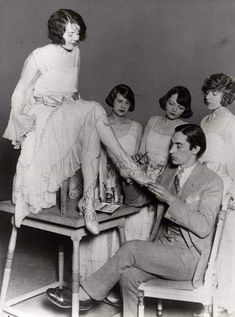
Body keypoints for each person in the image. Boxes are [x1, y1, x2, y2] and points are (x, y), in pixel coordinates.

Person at [46, 123, 224, 317]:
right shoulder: (170, 173)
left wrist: (171, 200)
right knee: (129, 275)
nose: (171, 150)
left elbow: (204, 227)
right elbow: (137, 201)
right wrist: (128, 179)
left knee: (130, 248)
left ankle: (84, 295)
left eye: (178, 146)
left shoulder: (212, 181)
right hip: (164, 249)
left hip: (189, 257)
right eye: (171, 144)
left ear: (196, 149)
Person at [3, 9, 153, 235]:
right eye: (71, 33)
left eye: (78, 33)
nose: (75, 38)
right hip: (44, 115)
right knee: (93, 110)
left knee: (91, 123)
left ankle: (89, 203)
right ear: (58, 31)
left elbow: (72, 89)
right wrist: (21, 124)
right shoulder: (39, 55)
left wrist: (73, 102)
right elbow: (19, 92)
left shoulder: (76, 53)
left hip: (67, 111)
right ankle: (127, 167)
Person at [193, 73, 235, 317]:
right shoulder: (204, 121)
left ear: (225, 96)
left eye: (215, 93)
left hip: (223, 184)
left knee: (221, 242)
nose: (209, 96)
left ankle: (219, 301)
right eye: (208, 92)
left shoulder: (231, 122)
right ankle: (200, 293)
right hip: (203, 184)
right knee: (202, 236)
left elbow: (232, 160)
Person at [139, 86, 193, 181]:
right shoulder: (153, 120)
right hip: (144, 172)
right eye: (171, 104)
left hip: (167, 177)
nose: (174, 109)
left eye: (180, 107)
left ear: (185, 110)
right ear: (165, 101)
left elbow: (182, 160)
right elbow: (141, 151)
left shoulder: (185, 127)